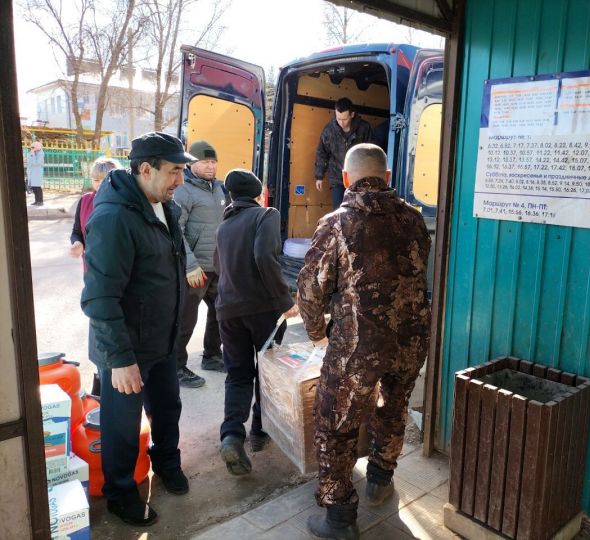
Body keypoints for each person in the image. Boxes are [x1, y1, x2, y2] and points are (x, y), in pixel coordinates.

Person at [298, 144, 431, 539]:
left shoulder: (337, 223)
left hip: (358, 348)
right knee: (392, 408)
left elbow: (309, 290)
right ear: (388, 178)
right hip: (410, 340)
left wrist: (318, 332)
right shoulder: (413, 220)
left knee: (335, 423)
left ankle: (339, 518)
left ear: (344, 178)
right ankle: (379, 480)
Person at [81, 132, 195, 527]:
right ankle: (120, 492)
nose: (180, 179)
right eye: (174, 171)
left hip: (161, 339)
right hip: (126, 348)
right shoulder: (114, 218)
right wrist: (120, 360)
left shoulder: (163, 205)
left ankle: (166, 462)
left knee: (167, 409)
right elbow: (100, 297)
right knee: (122, 425)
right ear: (145, 170)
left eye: (182, 170)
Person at [213, 169, 298, 475]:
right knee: (266, 372)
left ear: (231, 196)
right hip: (262, 309)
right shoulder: (267, 215)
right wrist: (285, 300)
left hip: (227, 310)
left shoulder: (224, 225)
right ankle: (260, 433)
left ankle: (232, 435)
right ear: (260, 194)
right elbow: (265, 256)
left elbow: (217, 266)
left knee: (237, 375)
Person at [173, 140, 227, 388]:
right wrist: (190, 264)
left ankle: (212, 356)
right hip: (195, 270)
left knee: (220, 313)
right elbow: (176, 231)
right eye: (206, 161)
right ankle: (175, 368)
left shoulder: (218, 188)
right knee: (185, 320)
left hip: (217, 265)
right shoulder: (184, 190)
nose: (211, 166)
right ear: (192, 163)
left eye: (214, 161)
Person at [314, 97, 372, 210]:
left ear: (352, 114)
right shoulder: (329, 130)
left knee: (357, 212)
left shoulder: (364, 128)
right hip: (337, 178)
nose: (341, 122)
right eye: (338, 118)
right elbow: (322, 152)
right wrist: (319, 176)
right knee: (338, 211)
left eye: (344, 119)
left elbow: (370, 153)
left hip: (358, 179)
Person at [69, 157, 122, 264]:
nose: (100, 184)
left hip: (118, 268)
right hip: (91, 268)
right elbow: (77, 231)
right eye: (96, 180)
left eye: (105, 180)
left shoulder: (125, 203)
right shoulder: (85, 201)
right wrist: (78, 242)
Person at [27, 141, 45, 206]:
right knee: (34, 187)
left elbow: (36, 163)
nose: (32, 148)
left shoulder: (41, 153)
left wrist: (33, 155)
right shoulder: (33, 152)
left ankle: (40, 201)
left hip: (37, 173)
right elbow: (29, 161)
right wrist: (32, 153)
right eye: (32, 147)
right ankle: (36, 201)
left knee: (37, 187)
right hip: (32, 173)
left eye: (33, 147)